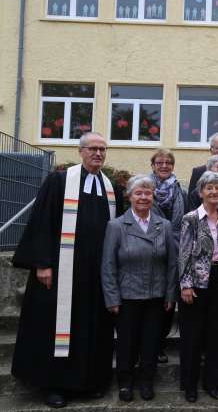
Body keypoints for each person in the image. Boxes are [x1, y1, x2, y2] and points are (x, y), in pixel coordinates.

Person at [11, 132, 123, 408]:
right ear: (80, 151)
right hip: (62, 272)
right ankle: (55, 385)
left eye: (102, 149)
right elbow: (42, 222)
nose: (98, 153)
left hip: (96, 277)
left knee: (94, 328)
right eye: (93, 149)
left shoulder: (112, 189)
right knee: (58, 329)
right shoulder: (60, 181)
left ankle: (91, 381)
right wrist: (42, 263)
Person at [101, 175, 177, 402]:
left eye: (148, 193)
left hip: (156, 296)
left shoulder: (164, 225)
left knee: (151, 342)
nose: (144, 197)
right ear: (130, 196)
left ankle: (146, 381)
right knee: (126, 342)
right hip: (127, 296)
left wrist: (170, 293)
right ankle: (125, 382)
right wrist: (112, 297)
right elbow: (108, 264)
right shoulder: (116, 226)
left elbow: (172, 263)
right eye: (139, 193)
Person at [178, 171, 218, 403]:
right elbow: (183, 254)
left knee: (217, 335)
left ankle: (213, 383)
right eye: (209, 188)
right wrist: (185, 284)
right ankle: (189, 385)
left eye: (217, 188)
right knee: (192, 336)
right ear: (200, 192)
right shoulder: (190, 218)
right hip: (196, 283)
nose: (214, 192)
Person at [149, 148, 185, 364]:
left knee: (169, 300)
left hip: (176, 249)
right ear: (153, 165)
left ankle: (161, 342)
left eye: (168, 163)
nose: (164, 166)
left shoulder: (180, 190)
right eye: (160, 163)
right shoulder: (145, 187)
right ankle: (153, 346)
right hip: (152, 250)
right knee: (154, 300)